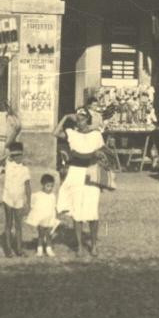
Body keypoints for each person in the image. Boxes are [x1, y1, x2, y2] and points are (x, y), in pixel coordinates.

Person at [53, 108, 105, 257]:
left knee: (92, 212)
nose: (79, 121)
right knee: (77, 212)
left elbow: (103, 153)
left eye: (82, 118)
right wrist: (65, 117)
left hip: (90, 173)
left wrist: (98, 156)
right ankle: (80, 246)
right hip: (75, 173)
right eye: (77, 118)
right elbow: (55, 133)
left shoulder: (96, 135)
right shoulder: (72, 133)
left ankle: (94, 245)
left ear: (87, 119)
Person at [0, 141, 31, 257]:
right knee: (9, 223)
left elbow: (28, 186)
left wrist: (29, 202)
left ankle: (19, 249)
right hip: (8, 198)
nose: (19, 157)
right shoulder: (8, 164)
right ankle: (8, 249)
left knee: (18, 225)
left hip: (19, 199)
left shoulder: (25, 169)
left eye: (20, 155)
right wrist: (9, 154)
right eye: (16, 155)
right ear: (12, 155)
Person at [26, 173, 59, 258]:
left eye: (51, 186)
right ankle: (39, 249)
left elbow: (54, 207)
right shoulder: (38, 195)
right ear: (43, 185)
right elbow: (33, 206)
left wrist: (55, 216)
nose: (50, 188)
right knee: (41, 235)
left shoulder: (52, 196)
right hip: (41, 219)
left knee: (49, 235)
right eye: (48, 186)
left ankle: (49, 249)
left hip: (50, 218)